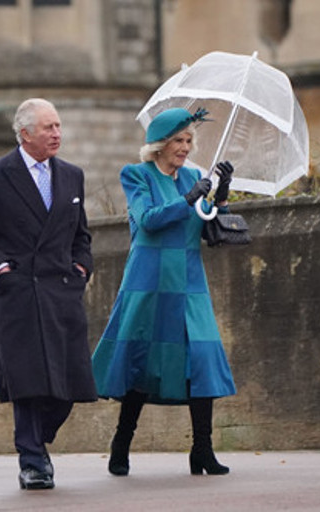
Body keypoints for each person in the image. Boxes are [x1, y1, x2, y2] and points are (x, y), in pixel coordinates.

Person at [91, 107, 237, 477]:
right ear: (160, 144)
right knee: (143, 364)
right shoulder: (136, 175)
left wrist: (219, 194)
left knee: (201, 361)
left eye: (190, 141)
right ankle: (121, 443)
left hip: (189, 283)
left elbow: (207, 229)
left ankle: (202, 449)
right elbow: (149, 220)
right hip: (150, 282)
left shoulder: (192, 176)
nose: (186, 148)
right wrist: (188, 198)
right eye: (179, 141)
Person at [0, 98, 96, 491]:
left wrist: (82, 266)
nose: (57, 134)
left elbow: (80, 235)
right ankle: (32, 460)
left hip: (62, 293)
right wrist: (0, 269)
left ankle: (38, 442)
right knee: (28, 382)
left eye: (58, 126)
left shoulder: (72, 176)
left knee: (69, 386)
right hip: (18, 294)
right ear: (25, 134)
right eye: (48, 128)